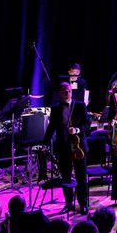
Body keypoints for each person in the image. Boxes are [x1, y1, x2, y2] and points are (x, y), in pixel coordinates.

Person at [44, 80, 90, 214]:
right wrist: (45, 143)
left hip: (78, 147)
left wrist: (77, 129)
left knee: (81, 177)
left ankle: (83, 204)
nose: (67, 93)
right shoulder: (56, 107)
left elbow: (87, 124)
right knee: (66, 177)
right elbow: (51, 126)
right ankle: (69, 204)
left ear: (71, 92)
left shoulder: (80, 106)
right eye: (64, 91)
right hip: (63, 147)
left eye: (69, 91)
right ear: (60, 93)